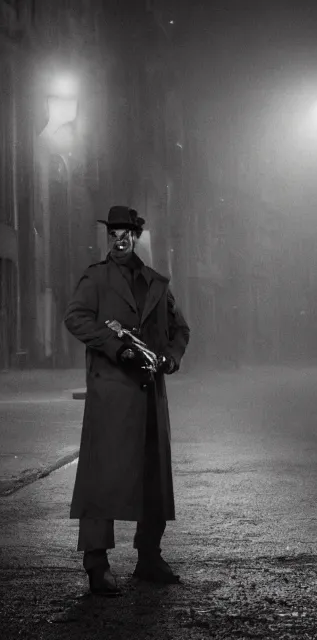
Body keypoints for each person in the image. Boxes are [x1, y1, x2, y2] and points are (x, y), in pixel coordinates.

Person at [64, 206, 191, 596]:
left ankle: (149, 557)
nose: (120, 239)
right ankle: (96, 565)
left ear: (136, 235)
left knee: (153, 477)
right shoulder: (96, 278)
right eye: (114, 233)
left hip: (149, 394)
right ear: (108, 237)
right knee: (101, 480)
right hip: (110, 394)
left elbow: (180, 328)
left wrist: (170, 356)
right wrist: (117, 349)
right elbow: (76, 318)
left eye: (127, 232)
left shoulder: (155, 282)